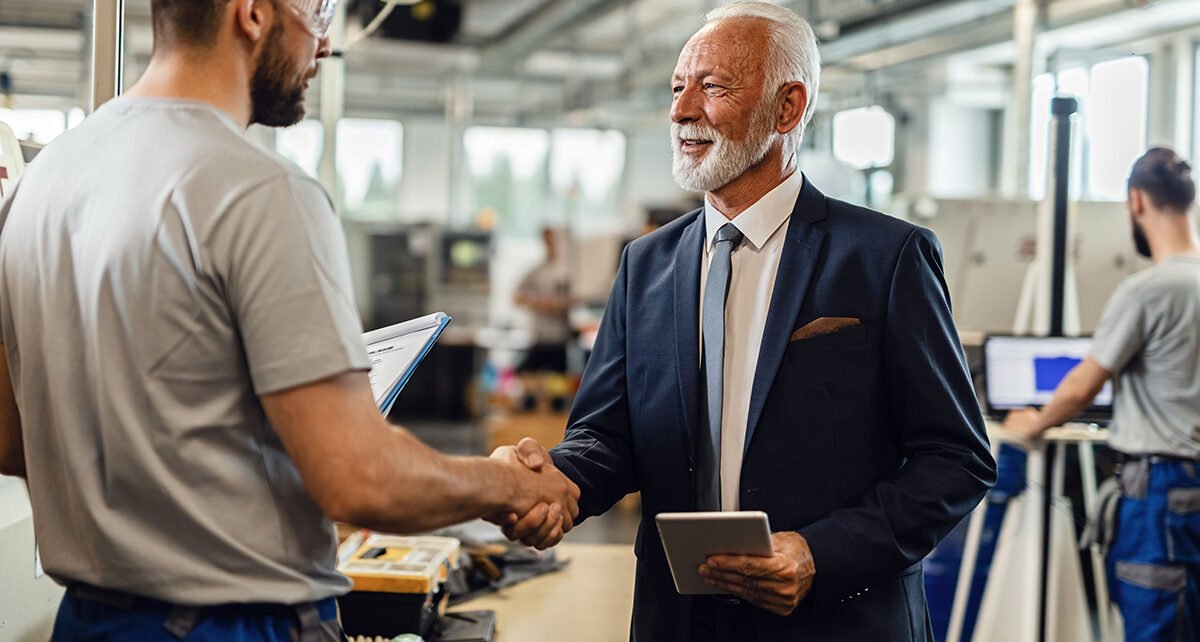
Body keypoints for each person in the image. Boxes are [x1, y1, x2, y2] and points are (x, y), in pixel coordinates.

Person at [0, 1, 576, 640]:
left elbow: (7, 436)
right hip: (236, 625)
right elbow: (359, 479)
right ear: (251, 13)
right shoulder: (260, 191)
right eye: (318, 15)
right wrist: (505, 483)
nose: (323, 48)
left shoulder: (39, 182)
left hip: (87, 620)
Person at [502, 2, 997, 640]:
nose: (682, 111)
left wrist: (822, 553)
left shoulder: (885, 257)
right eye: (677, 88)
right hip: (678, 620)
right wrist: (555, 483)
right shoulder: (647, 264)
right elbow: (608, 435)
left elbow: (955, 457)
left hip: (837, 618)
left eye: (712, 87)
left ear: (787, 108)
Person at [1004, 147, 1200, 642]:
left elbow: (1084, 382)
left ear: (1136, 201)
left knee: (1157, 625)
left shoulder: (1148, 290)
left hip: (1161, 492)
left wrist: (1034, 422)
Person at [514, 227, 573, 373]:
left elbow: (573, 302)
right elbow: (517, 297)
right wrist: (539, 303)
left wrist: (556, 305)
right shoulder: (537, 271)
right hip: (539, 338)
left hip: (559, 340)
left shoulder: (568, 272)